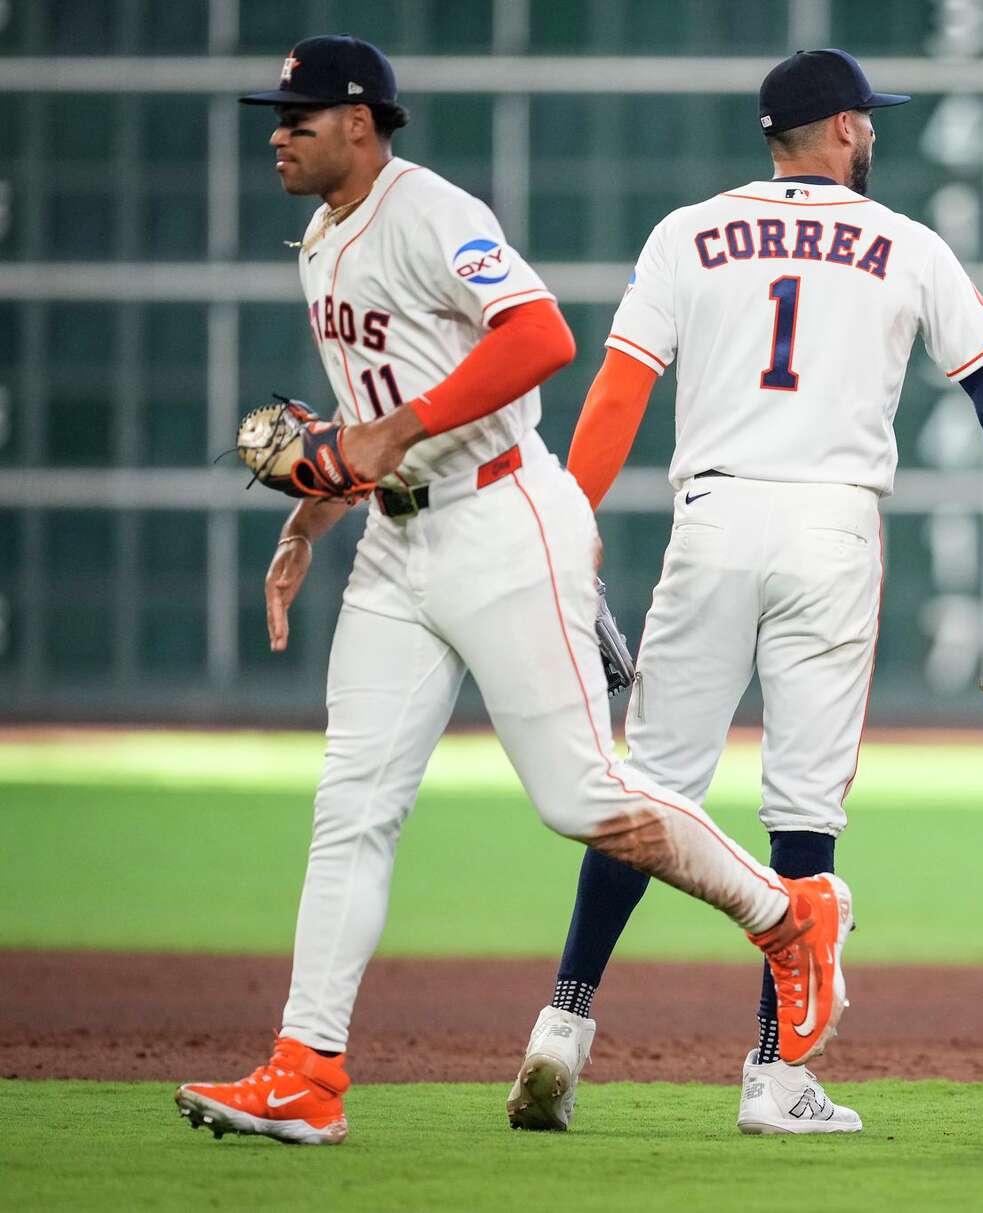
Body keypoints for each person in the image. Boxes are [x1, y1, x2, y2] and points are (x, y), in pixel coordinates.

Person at [173, 36, 852, 1147]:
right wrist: (314, 509)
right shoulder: (320, 239)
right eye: (276, 115)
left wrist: (390, 431)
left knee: (578, 795)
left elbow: (541, 335)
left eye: (298, 115)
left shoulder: (428, 208)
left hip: (500, 516)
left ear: (362, 120)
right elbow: (367, 415)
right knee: (351, 807)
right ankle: (307, 1067)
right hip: (396, 546)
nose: (277, 132)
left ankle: (791, 921)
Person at [505, 48, 983, 1136]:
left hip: (711, 521)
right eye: (869, 121)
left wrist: (567, 524)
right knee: (803, 812)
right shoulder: (904, 242)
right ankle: (773, 1078)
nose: (874, 135)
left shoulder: (686, 231)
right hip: (829, 528)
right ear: (846, 128)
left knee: (651, 786)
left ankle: (562, 1025)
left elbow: (618, 392)